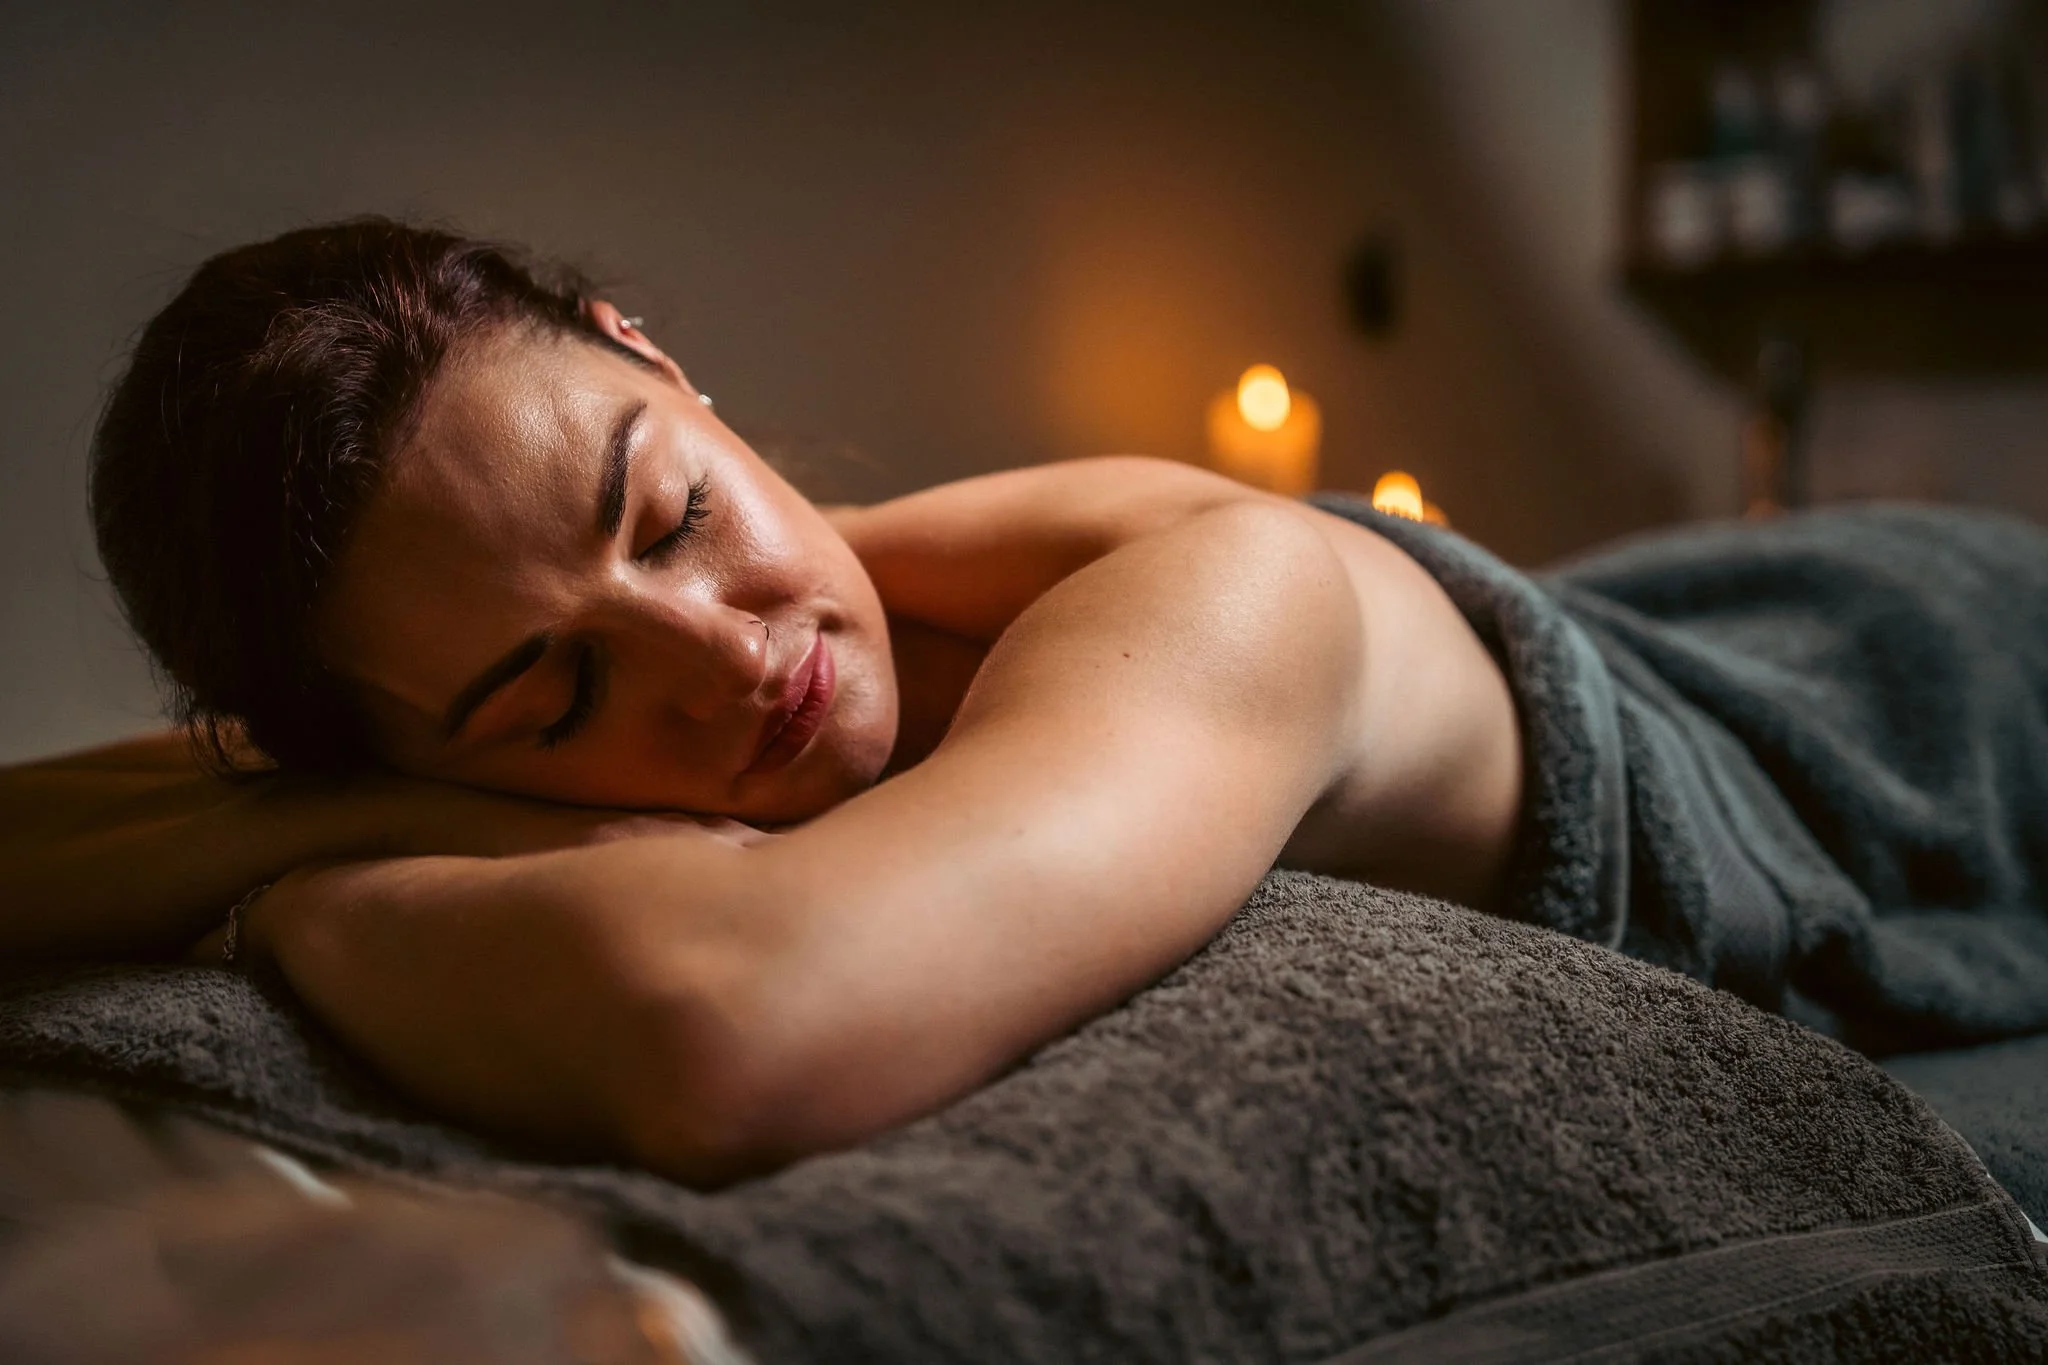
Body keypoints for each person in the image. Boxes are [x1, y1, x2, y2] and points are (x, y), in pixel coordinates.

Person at [0, 219, 1524, 1183]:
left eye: (673, 518)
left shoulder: (1225, 581)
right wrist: (389, 809)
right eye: (557, 697)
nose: (726, 660)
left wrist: (304, 897)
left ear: (652, 358)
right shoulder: (408, 736)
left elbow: (741, 1027)